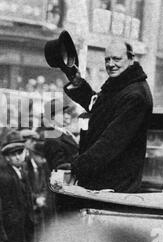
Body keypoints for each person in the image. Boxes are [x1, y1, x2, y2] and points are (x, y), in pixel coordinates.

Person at [64, 40, 153, 192]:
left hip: (114, 187)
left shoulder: (135, 95)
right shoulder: (122, 86)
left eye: (117, 59)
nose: (111, 64)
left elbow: (111, 141)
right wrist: (78, 84)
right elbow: (99, 107)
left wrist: (77, 166)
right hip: (104, 182)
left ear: (131, 60)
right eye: (107, 59)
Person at [0, 131, 34, 242]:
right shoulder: (5, 176)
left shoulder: (21, 171)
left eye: (20, 152)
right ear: (7, 157)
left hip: (25, 225)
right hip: (13, 229)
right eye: (13, 154)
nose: (18, 157)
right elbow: (6, 207)